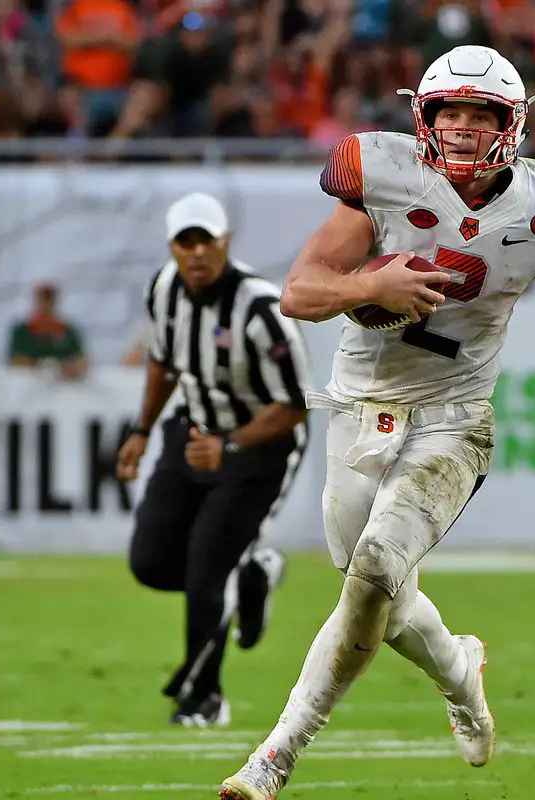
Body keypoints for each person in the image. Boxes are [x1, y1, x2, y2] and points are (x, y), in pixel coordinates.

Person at [219, 45, 535, 800]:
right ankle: (461, 673)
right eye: (448, 111)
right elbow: (299, 291)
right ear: (423, 117)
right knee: (377, 601)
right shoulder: (382, 177)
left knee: (380, 568)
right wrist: (373, 282)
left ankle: (275, 757)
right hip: (358, 413)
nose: (460, 127)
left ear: (510, 123)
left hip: (455, 420)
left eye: (478, 113)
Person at [116, 192, 313, 727]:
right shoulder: (163, 289)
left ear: (226, 242)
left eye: (207, 241)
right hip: (193, 431)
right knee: (151, 562)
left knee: (207, 567)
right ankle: (251, 573)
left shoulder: (258, 308)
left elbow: (295, 404)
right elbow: (162, 361)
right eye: (187, 242)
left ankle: (204, 698)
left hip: (260, 450)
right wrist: (141, 429)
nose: (197, 252)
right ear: (172, 248)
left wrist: (229, 447)